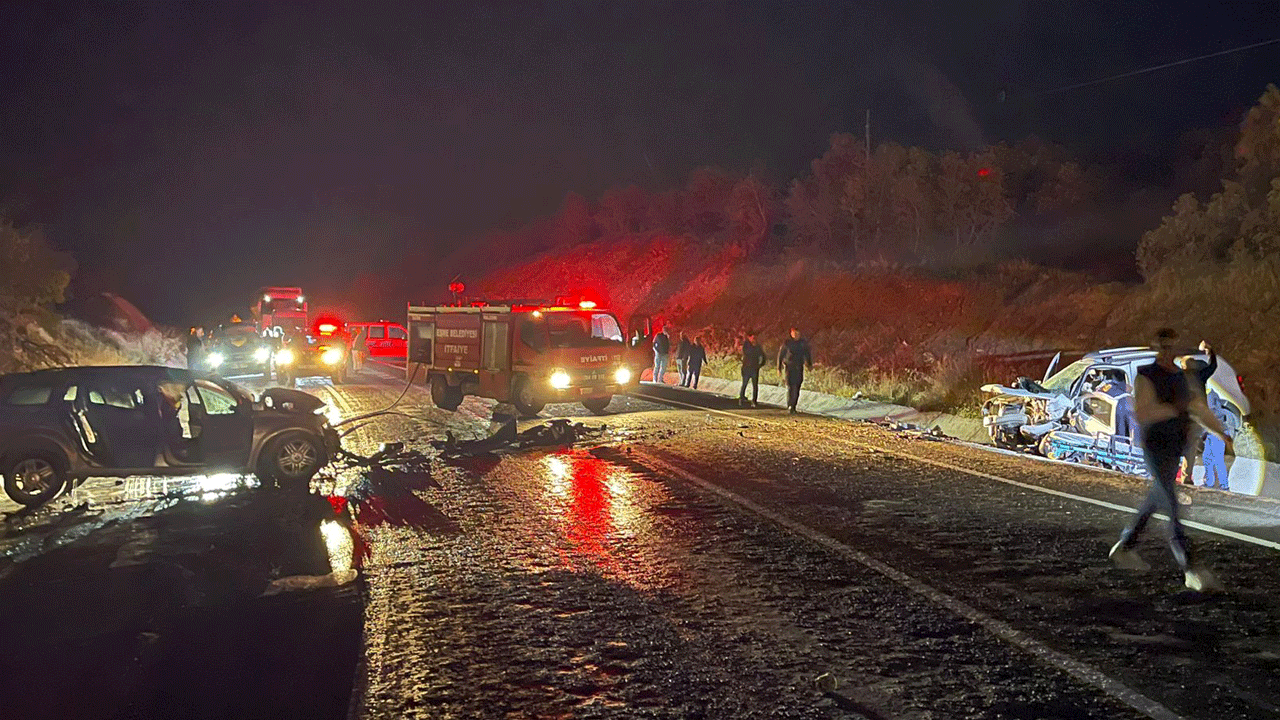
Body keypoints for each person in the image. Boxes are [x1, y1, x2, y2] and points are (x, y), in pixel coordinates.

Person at [1110, 328, 1232, 592]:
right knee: (1171, 504)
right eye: (1163, 346)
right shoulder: (1146, 375)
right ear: (1157, 347)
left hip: (1176, 445)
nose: (1168, 351)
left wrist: (1220, 432)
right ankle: (1190, 568)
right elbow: (1143, 412)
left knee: (1157, 497)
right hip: (1155, 446)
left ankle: (1125, 546)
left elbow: (1198, 408)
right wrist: (1173, 408)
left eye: (1171, 346)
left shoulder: (1181, 378)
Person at [1176, 341, 1218, 485]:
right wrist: (1210, 352)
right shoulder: (1200, 376)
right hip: (1194, 420)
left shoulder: (1178, 378)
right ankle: (1186, 478)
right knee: (1190, 449)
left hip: (1181, 419)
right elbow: (1213, 366)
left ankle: (1171, 477)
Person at [777, 327, 812, 414]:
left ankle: (794, 405)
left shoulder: (802, 343)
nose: (796, 335)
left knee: (797, 387)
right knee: (790, 386)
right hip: (789, 367)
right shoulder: (787, 343)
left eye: (798, 334)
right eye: (795, 334)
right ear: (791, 334)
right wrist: (779, 368)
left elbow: (807, 354)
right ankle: (789, 405)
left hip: (799, 367)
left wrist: (809, 364)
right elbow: (780, 355)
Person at [1202, 390, 1232, 491]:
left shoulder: (1211, 396)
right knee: (1207, 458)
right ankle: (1211, 482)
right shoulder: (1210, 395)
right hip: (1211, 433)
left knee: (1217, 459)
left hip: (1216, 433)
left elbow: (1212, 415)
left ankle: (1224, 485)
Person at [739, 331, 766, 407]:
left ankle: (754, 400)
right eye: (752, 337)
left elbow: (762, 355)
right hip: (747, 367)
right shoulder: (746, 345)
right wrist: (753, 347)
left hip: (755, 368)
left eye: (755, 337)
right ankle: (741, 398)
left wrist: (760, 365)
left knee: (755, 385)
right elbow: (747, 353)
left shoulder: (758, 346)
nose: (754, 339)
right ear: (749, 337)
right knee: (744, 383)